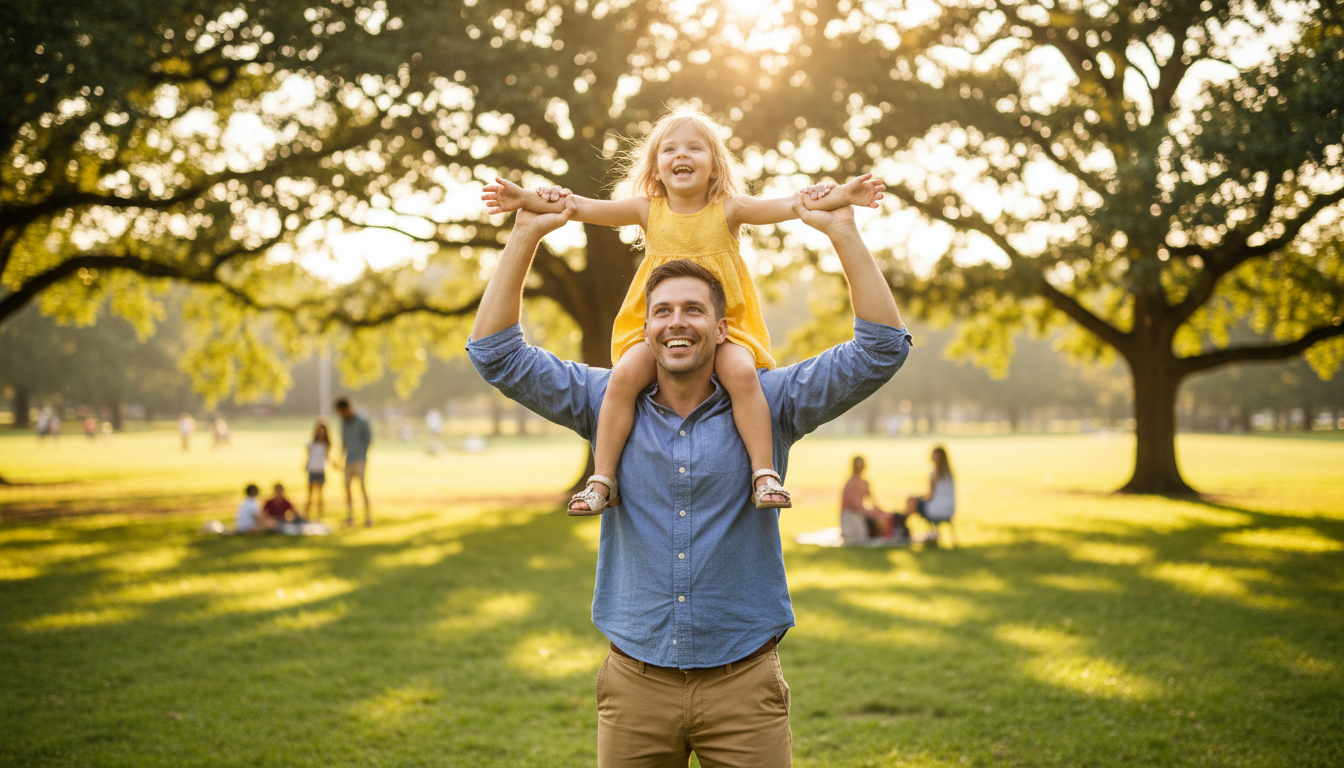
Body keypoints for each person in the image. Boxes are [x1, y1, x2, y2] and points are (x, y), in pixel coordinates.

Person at [466, 192, 910, 767]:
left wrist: (844, 233)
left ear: (722, 328)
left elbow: (880, 352)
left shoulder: (770, 404)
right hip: (635, 688)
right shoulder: (604, 402)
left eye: (694, 310)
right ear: (644, 327)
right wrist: (525, 233)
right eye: (664, 310)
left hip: (744, 686)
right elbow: (495, 354)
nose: (678, 321)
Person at [483, 107, 885, 516]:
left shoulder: (729, 209)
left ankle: (764, 474)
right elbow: (579, 207)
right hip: (656, 330)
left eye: (696, 148)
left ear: (714, 167)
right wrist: (527, 199)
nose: (683, 155)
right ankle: (602, 480)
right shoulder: (646, 210)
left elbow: (793, 205)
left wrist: (843, 196)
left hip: (724, 327)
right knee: (622, 377)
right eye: (670, 149)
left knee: (743, 375)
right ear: (656, 168)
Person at [840, 455, 905, 544]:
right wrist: (873, 515)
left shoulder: (864, 482)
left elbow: (872, 500)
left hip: (860, 512)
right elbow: (856, 506)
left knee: (884, 518)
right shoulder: (851, 483)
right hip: (851, 514)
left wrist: (882, 512)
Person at [902, 446, 956, 542]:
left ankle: (900, 526)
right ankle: (903, 527)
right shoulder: (949, 473)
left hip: (935, 509)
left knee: (911, 501)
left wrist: (918, 497)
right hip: (950, 509)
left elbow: (930, 495)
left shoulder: (935, 473)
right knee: (914, 501)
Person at [334, 398, 372, 527]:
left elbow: (368, 440)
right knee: (347, 489)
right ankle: (350, 517)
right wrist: (339, 458)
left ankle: (368, 517)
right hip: (348, 460)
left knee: (362, 488)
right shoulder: (344, 423)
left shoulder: (361, 422)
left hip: (359, 460)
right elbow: (344, 442)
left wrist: (362, 455)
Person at [304, 420, 332, 520]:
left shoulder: (326, 444)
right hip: (312, 470)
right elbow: (308, 456)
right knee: (310, 494)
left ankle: (320, 515)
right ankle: (306, 514)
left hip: (321, 470)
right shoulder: (312, 444)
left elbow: (328, 457)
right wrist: (306, 465)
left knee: (320, 494)